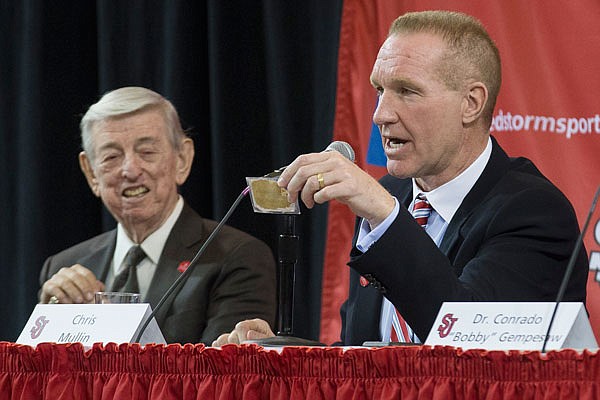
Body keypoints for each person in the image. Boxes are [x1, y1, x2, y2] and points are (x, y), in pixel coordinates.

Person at [213, 10, 588, 346]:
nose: (380, 115)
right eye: (379, 90)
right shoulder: (390, 200)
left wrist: (385, 215)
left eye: (407, 91)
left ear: (471, 103)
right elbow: (366, 358)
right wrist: (281, 353)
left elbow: (469, 340)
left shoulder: (534, 212)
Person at [39, 86, 277, 345]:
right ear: (91, 173)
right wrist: (49, 321)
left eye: (147, 152)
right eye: (111, 156)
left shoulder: (237, 257)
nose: (130, 170)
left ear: (182, 159)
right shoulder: (64, 267)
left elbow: (220, 378)